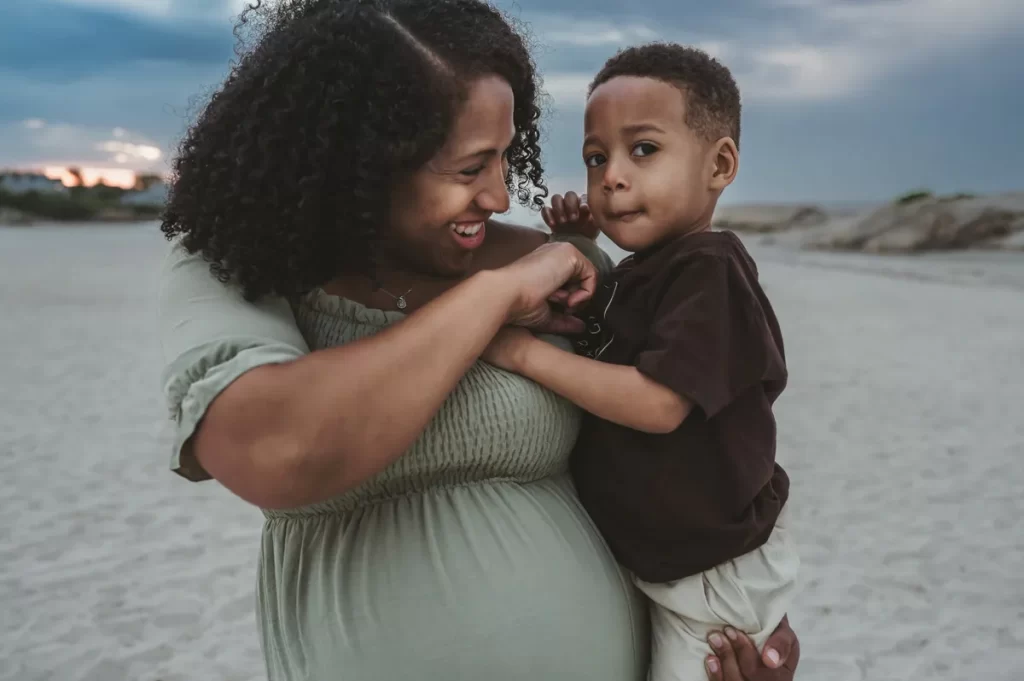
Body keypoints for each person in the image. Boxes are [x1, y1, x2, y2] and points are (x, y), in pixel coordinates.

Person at [157, 2, 801, 679]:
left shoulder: (569, 268)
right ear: (361, 166)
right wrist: (494, 297)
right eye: (470, 168)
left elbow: (697, 437)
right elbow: (275, 449)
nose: (499, 195)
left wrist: (741, 616)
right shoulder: (239, 265)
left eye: (504, 157)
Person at [481, 43, 799, 681]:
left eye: (643, 150)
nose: (612, 176)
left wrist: (520, 353)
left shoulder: (711, 268)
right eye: (596, 158)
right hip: (663, 562)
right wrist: (577, 246)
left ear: (721, 163)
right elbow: (607, 337)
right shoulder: (647, 273)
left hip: (712, 571)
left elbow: (656, 403)